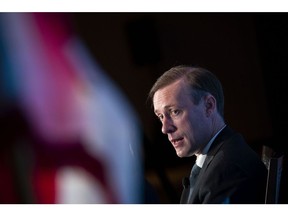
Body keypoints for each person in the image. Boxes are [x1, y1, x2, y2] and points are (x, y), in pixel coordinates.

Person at [148, 65, 267, 204]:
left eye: (175, 111)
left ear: (209, 106)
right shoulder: (218, 158)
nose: (164, 128)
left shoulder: (227, 170)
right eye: (161, 116)